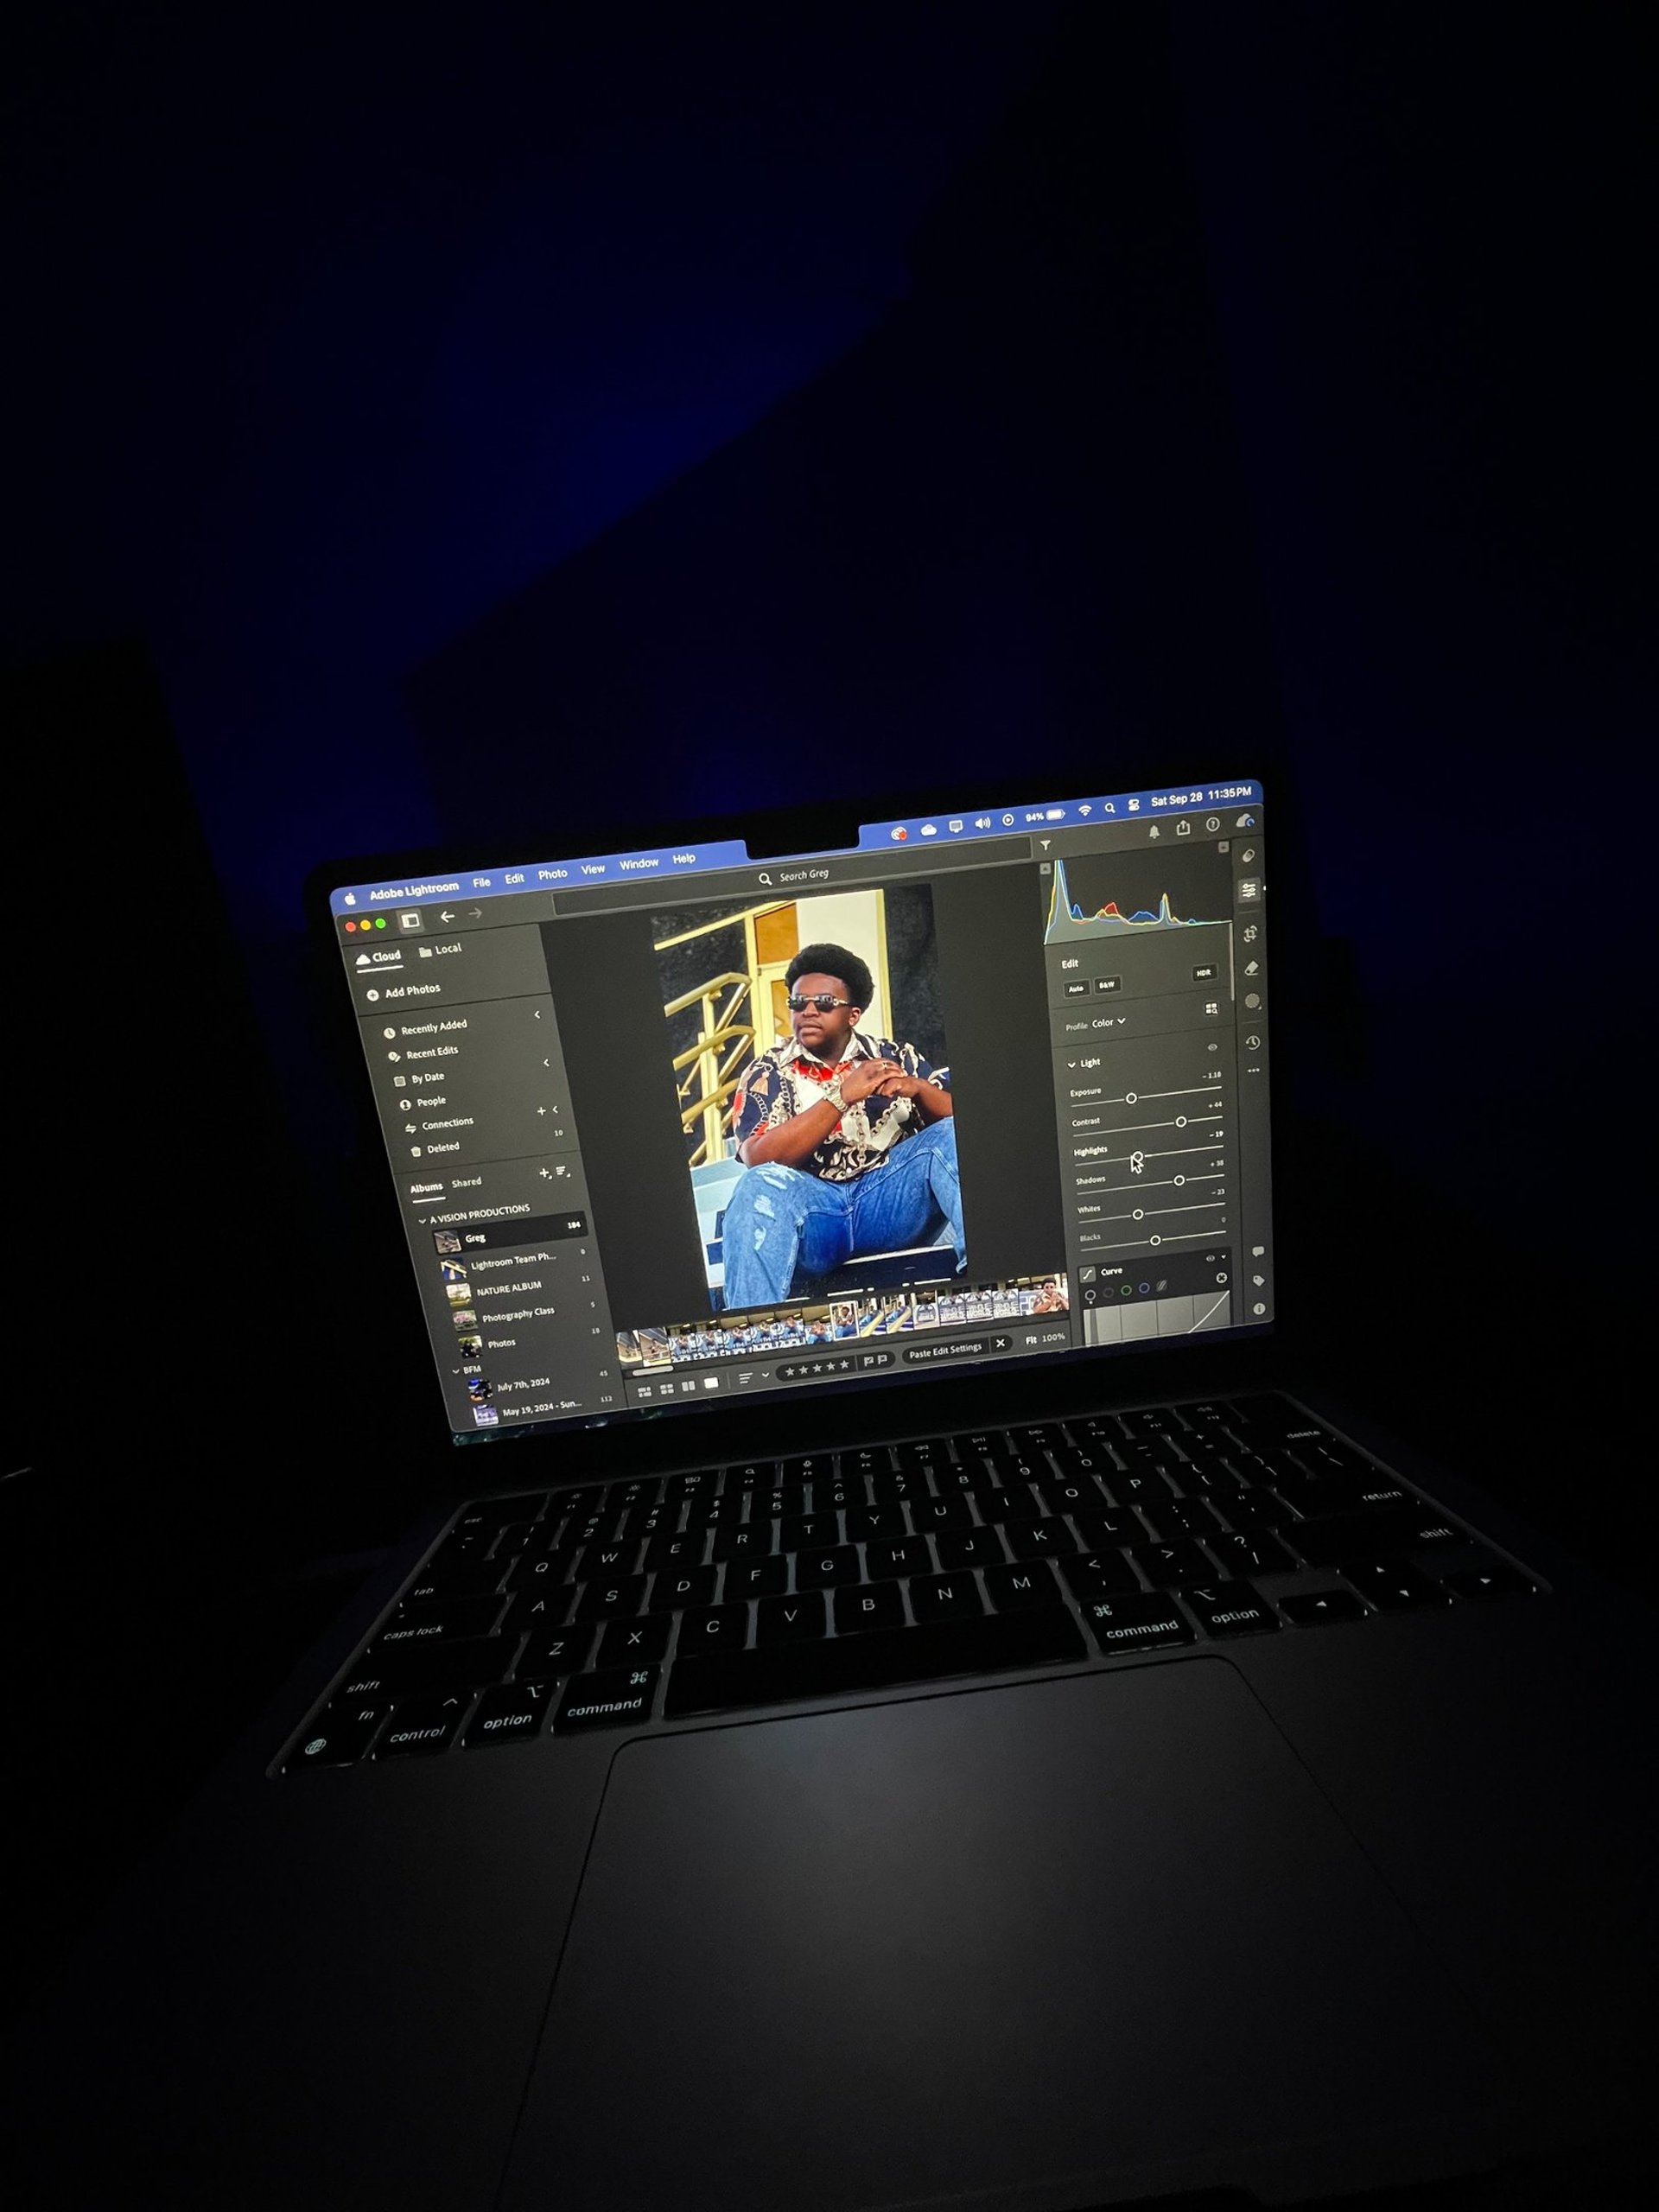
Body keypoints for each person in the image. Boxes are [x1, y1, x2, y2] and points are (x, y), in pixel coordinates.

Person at [721, 943, 963, 1308]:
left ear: (853, 1014)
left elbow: (959, 1126)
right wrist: (840, 1096)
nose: (808, 1012)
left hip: (888, 1204)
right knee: (755, 1186)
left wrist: (919, 1089)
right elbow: (758, 1157)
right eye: (797, 1003)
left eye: (823, 1003)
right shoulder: (766, 1071)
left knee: (950, 1136)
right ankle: (755, 1337)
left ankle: (1005, 1281)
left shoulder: (895, 1056)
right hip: (815, 1214)